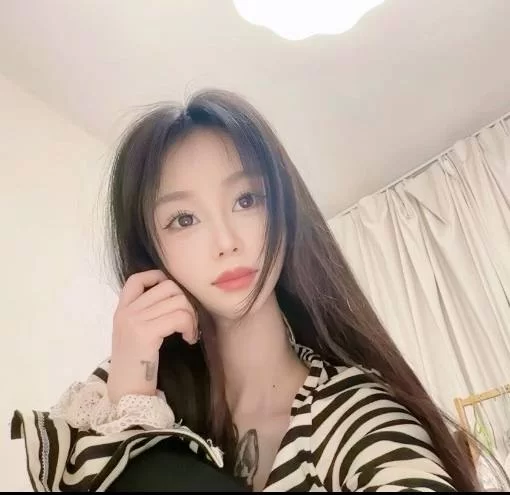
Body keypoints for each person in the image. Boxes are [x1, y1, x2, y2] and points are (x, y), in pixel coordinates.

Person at [11, 89, 481, 492]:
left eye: (247, 199)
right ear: (152, 252)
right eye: (184, 219)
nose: (226, 241)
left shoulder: (355, 413)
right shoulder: (120, 401)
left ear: (284, 213)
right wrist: (132, 388)